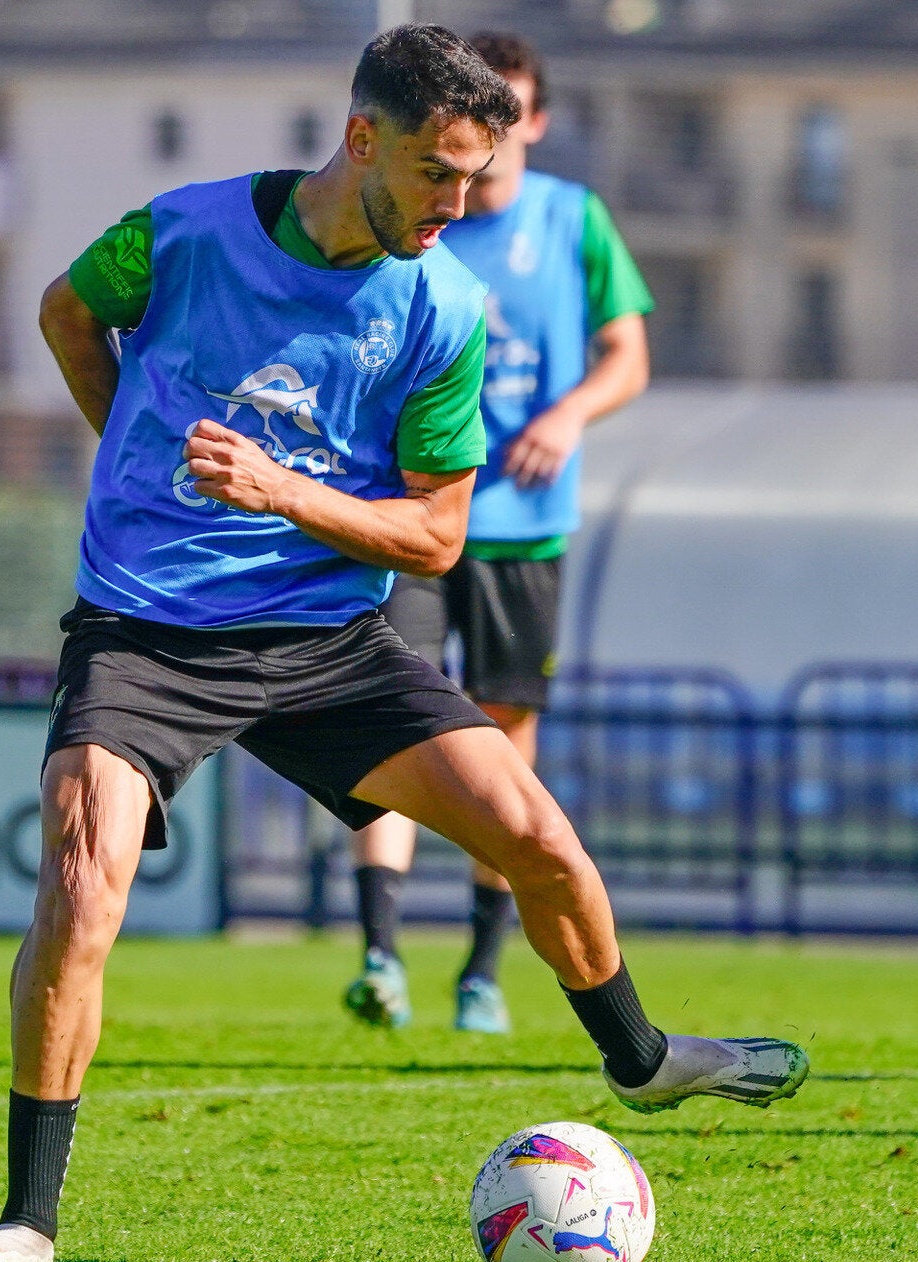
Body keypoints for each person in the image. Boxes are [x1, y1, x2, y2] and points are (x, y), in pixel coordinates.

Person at [0, 26, 805, 1262]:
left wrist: (279, 492)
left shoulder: (444, 307)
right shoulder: (179, 234)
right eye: (436, 173)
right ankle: (28, 1223)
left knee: (544, 843)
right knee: (82, 888)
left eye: (475, 178)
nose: (457, 205)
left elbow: (439, 535)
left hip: (331, 642)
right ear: (361, 141)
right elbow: (68, 312)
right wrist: (135, 456)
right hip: (145, 627)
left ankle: (641, 1059)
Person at [341, 29, 653, 1038]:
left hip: (522, 528)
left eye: (506, 113)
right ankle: (381, 954)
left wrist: (565, 416)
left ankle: (480, 969)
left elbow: (626, 356)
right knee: (393, 722)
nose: (484, 143)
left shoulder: (573, 219)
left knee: (503, 742)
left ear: (534, 119)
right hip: (416, 518)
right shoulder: (418, 213)